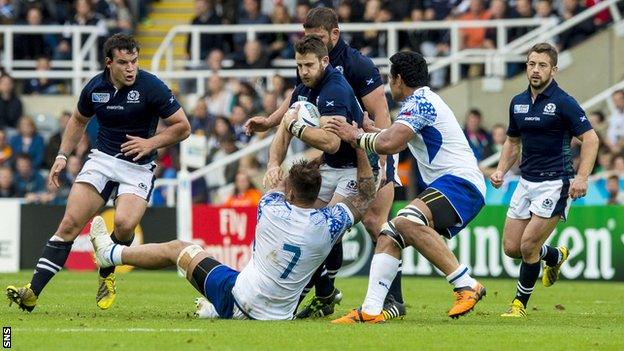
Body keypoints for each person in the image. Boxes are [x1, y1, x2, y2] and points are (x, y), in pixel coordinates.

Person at [6, 33, 190, 312]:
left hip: (137, 167)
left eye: (134, 61)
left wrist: (151, 142)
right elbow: (78, 120)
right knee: (69, 223)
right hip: (102, 160)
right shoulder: (95, 87)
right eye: (123, 62)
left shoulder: (151, 86)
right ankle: (32, 293)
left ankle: (107, 272)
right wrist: (61, 155)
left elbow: (183, 126)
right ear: (109, 63)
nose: (131, 68)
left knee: (126, 225)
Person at [246, 7, 405, 320]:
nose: (312, 41)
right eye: (307, 37)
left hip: (371, 150)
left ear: (335, 34)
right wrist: (270, 122)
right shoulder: (310, 65)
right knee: (316, 220)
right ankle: (325, 294)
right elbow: (298, 101)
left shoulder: (357, 65)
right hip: (337, 154)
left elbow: (381, 113)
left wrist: (385, 158)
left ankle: (393, 299)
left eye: (317, 37)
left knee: (375, 223)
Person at [90, 148, 376, 320]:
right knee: (239, 274)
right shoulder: (329, 224)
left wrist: (288, 124)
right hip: (280, 316)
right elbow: (365, 194)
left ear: (289, 191)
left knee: (179, 249)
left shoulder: (272, 207)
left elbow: (273, 173)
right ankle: (212, 308)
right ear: (317, 194)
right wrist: (361, 149)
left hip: (238, 298)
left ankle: (109, 254)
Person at [325, 51, 487, 323]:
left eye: (391, 79)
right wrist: (370, 131)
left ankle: (466, 284)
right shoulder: (421, 102)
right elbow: (393, 138)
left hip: (460, 183)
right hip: (452, 185)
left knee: (407, 221)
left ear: (399, 79)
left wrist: (355, 136)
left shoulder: (420, 102)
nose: (390, 85)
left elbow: (390, 145)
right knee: (390, 234)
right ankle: (371, 310)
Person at [490, 43, 599, 317]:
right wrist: (501, 170)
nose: (535, 70)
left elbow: (591, 138)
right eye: (531, 64)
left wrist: (582, 177)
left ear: (554, 69)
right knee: (512, 248)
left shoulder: (564, 102)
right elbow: (512, 142)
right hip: (526, 182)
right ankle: (554, 255)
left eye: (542, 65)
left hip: (556, 182)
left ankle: (518, 305)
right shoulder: (518, 102)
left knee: (528, 246)